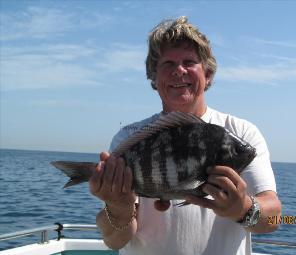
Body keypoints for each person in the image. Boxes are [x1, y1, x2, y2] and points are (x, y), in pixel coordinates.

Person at [89, 16, 282, 255]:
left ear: (208, 74)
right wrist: (120, 208)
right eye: (168, 64)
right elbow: (115, 241)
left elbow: (273, 219)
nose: (179, 71)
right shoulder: (129, 137)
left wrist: (242, 208)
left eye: (189, 62)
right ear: (154, 76)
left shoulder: (241, 132)